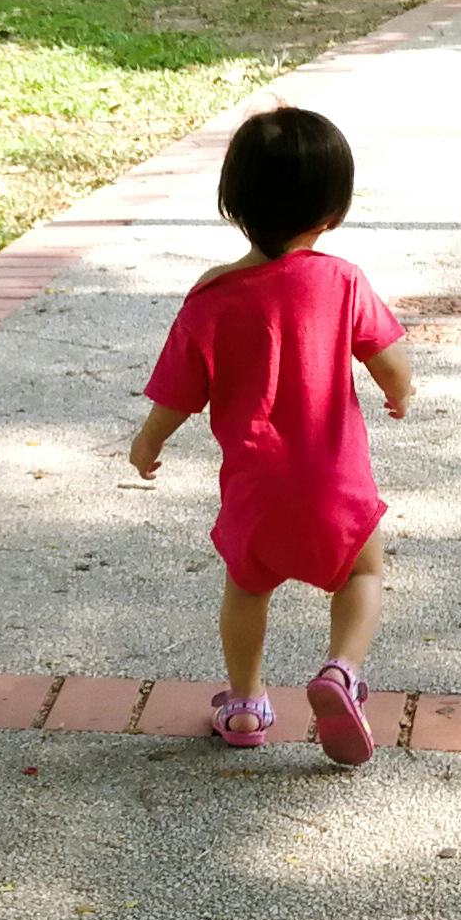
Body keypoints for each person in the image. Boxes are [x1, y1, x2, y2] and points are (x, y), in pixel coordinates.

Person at [129, 105, 416, 760]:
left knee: (247, 588)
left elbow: (177, 393)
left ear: (233, 203)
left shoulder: (211, 299)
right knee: (362, 576)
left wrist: (148, 444)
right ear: (333, 212)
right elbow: (390, 361)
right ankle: (341, 669)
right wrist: (399, 392)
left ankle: (247, 705)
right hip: (337, 484)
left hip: (257, 489)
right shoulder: (343, 281)